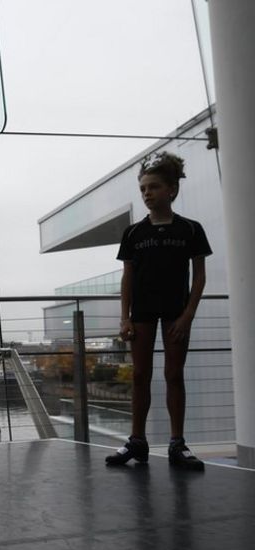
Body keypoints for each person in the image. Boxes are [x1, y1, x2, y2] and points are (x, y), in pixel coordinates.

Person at [106, 152, 210, 471]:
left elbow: (200, 276)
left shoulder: (191, 230)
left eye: (153, 187)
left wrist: (187, 316)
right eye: (143, 189)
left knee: (174, 375)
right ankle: (137, 441)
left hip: (176, 313)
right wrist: (124, 317)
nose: (147, 193)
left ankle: (177, 444)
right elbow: (128, 276)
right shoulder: (134, 234)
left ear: (171, 190)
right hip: (143, 313)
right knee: (139, 375)